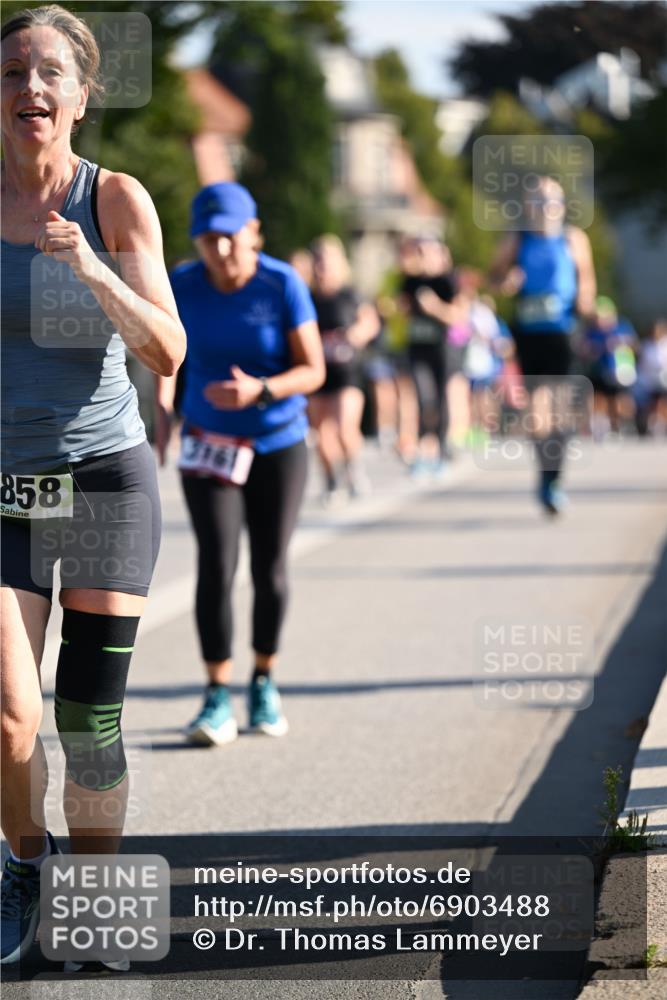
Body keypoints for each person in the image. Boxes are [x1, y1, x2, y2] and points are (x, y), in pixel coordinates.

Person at [0, 4, 185, 967]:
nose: (28, 88)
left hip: (108, 474)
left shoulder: (113, 200)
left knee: (86, 713)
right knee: (11, 711)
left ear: (80, 96)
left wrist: (92, 273)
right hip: (10, 487)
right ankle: (26, 861)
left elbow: (167, 348)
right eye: (10, 73)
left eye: (47, 74)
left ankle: (97, 891)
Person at [155, 182, 325, 746]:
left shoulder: (282, 283)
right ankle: (214, 695)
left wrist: (263, 391)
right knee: (216, 564)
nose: (220, 251)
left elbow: (314, 370)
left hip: (277, 441)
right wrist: (162, 406)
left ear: (254, 233)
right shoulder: (182, 283)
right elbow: (164, 351)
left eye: (230, 237)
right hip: (209, 443)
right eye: (208, 240)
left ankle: (264, 680)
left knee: (269, 567)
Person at [489, 176, 596, 514]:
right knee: (537, 417)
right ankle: (544, 475)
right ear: (527, 206)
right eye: (538, 201)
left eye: (552, 201)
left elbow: (587, 278)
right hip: (530, 332)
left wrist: (585, 300)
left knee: (561, 411)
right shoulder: (517, 239)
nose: (546, 207)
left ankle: (554, 480)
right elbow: (493, 277)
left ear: (562, 206)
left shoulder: (574, 238)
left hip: (563, 330)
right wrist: (507, 281)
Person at [308, 234, 380, 501]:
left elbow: (370, 323)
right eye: (318, 262)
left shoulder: (351, 294)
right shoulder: (308, 297)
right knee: (321, 434)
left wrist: (354, 335)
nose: (322, 268)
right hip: (318, 374)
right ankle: (331, 480)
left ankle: (353, 469)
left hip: (347, 371)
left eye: (326, 262)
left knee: (344, 427)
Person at [400, 238, 464, 476]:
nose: (423, 258)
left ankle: (440, 450)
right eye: (420, 253)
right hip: (417, 348)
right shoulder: (410, 281)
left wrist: (435, 307)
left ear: (440, 256)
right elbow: (403, 309)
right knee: (422, 397)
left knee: (439, 399)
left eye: (428, 253)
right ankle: (421, 449)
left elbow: (458, 315)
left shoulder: (448, 281)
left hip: (441, 349)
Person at [581, 296, 638, 439]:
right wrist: (594, 349)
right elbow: (584, 348)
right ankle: (601, 427)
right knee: (598, 399)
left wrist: (618, 343)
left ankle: (621, 425)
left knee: (619, 400)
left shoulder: (622, 326)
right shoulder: (592, 330)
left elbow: (634, 344)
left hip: (619, 371)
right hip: (598, 370)